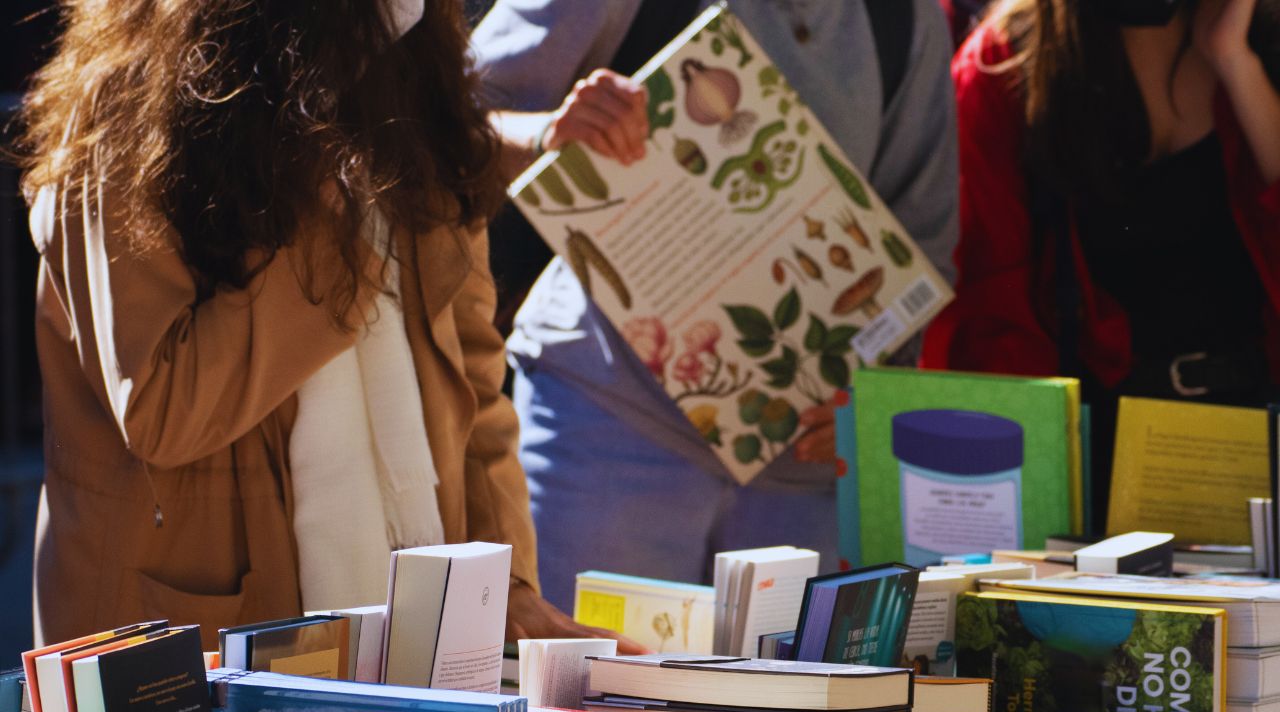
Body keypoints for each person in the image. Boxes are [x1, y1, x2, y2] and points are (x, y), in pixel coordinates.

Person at [18, 0, 635, 651]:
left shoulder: (411, 92)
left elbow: (472, 390)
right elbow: (162, 410)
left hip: (403, 648)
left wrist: (504, 586)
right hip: (188, 649)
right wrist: (324, 216)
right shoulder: (125, 112)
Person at [472, 0, 959, 612]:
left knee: (786, 710)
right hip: (606, 431)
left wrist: (866, 390)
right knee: (591, 701)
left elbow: (922, 248)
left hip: (802, 470)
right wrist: (551, 134)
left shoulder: (908, 20)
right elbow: (443, 124)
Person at [921, 0, 1280, 523]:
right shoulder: (1004, 63)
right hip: (1093, 465)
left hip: (1259, 442)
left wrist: (1237, 62)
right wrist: (1035, 515)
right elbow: (989, 314)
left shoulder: (1258, 37)